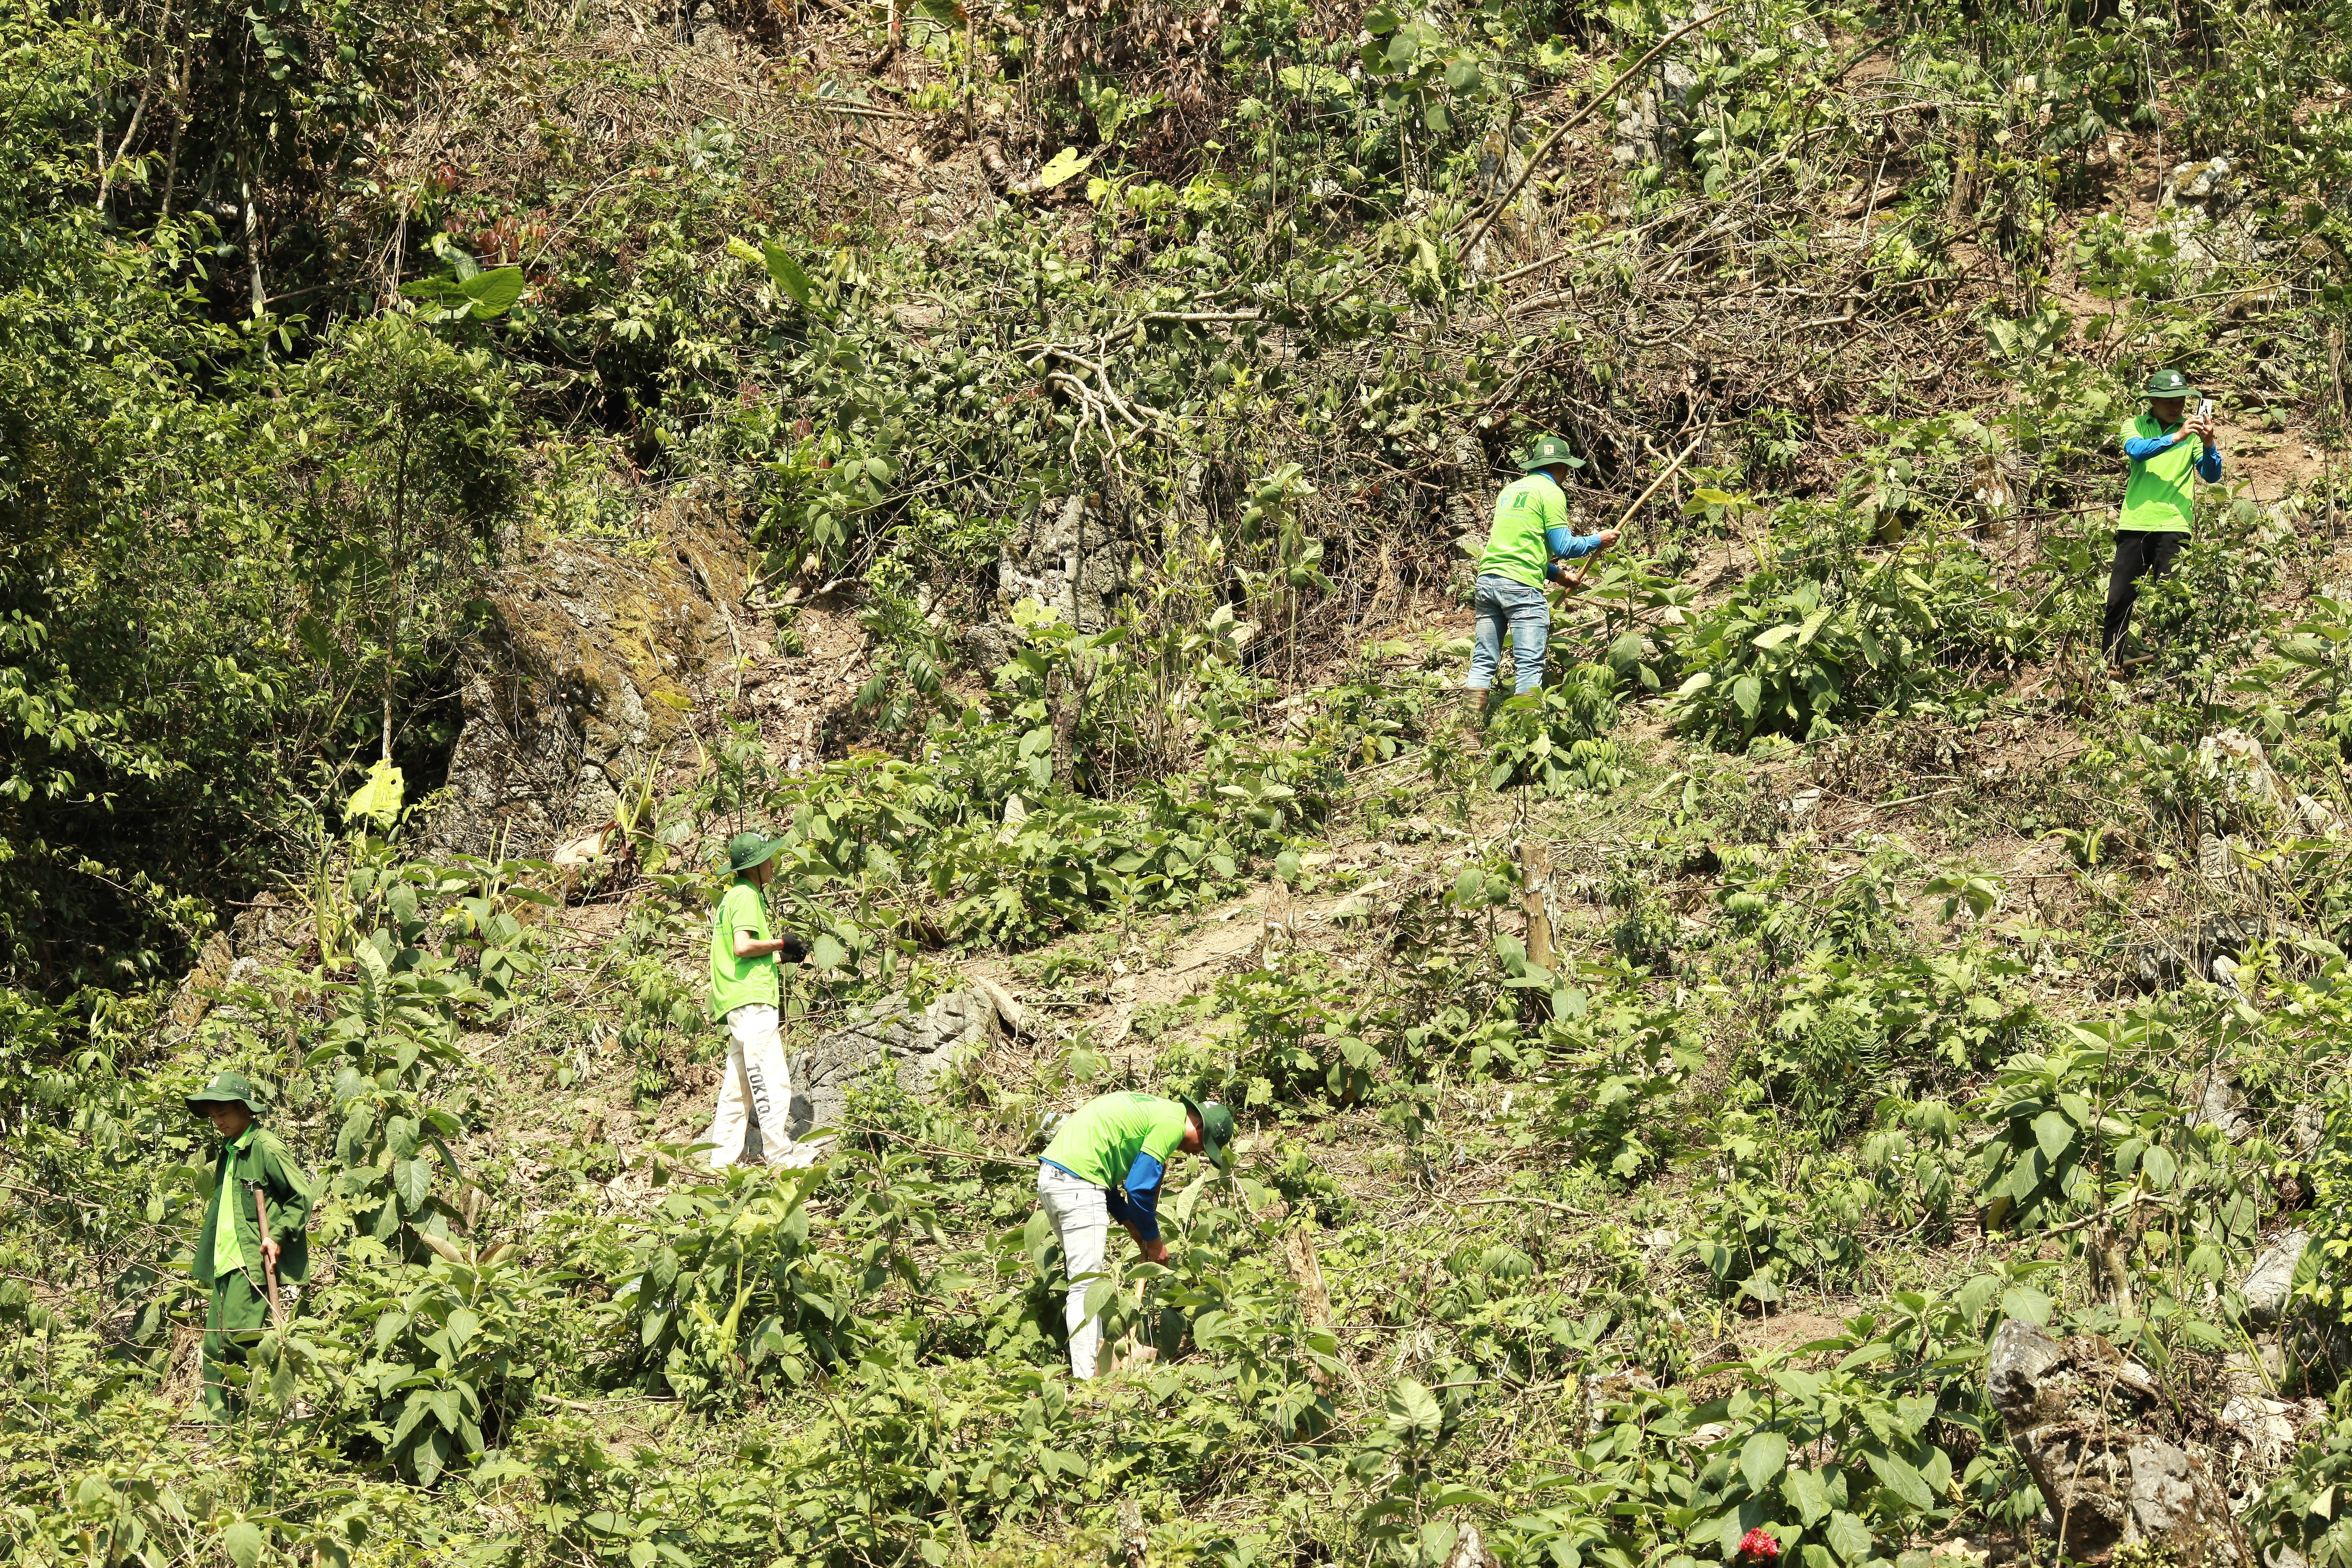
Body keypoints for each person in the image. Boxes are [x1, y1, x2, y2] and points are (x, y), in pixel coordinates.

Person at [1035, 1090, 1234, 1379]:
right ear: (1200, 1128)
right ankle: (1088, 1381)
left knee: (1081, 1282)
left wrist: (1139, 1234)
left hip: (1053, 1179)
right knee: (1086, 1287)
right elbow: (1139, 1189)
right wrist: (1154, 1241)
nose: (1198, 1154)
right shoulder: (1170, 1123)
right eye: (1204, 1147)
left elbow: (1112, 1192)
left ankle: (1095, 1368)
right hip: (1080, 1183)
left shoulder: (1154, 1109)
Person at [186, 1070, 311, 1423]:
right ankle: (222, 1435)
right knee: (214, 1348)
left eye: (224, 1113)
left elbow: (301, 1196)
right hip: (225, 1261)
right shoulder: (230, 1151)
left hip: (250, 1262)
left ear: (244, 1109)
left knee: (239, 1344)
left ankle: (255, 1426)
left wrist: (279, 1236)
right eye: (214, 1115)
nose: (219, 1121)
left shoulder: (266, 1148)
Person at [1465, 434, 1622, 697]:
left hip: (1487, 581)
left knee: (1483, 661)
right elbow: (1564, 547)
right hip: (1521, 587)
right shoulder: (1551, 493)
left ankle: (1470, 735)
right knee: (1529, 665)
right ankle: (1527, 734)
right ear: (1563, 467)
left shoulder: (1509, 491)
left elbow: (1514, 547)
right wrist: (1599, 539)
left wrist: (1557, 575)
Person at [699, 830, 815, 1170]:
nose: (773, 864)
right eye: (768, 859)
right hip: (752, 1003)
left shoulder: (731, 899)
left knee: (738, 1089)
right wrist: (780, 943)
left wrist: (784, 957)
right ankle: (781, 1159)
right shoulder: (747, 895)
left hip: (736, 998)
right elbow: (743, 946)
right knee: (771, 1078)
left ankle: (721, 1163)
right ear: (755, 866)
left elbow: (741, 959)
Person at [2106, 367, 2222, 664]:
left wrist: (2208, 445)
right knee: (2120, 599)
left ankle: (2171, 673)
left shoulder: (2195, 434)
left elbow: (2211, 475)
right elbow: (2136, 451)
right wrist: (2177, 437)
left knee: (2174, 602)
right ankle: (2110, 665)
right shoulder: (2134, 425)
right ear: (2153, 401)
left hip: (2174, 526)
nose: (2175, 407)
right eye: (2168, 401)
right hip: (2135, 524)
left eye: (2180, 400)